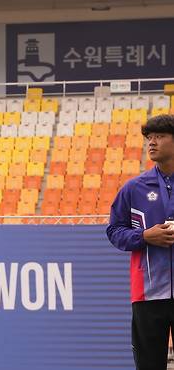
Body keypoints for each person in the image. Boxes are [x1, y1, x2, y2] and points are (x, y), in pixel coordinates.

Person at [107, 114, 174, 370]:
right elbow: (114, 230)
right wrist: (144, 236)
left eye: (159, 136)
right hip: (147, 293)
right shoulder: (134, 188)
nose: (152, 143)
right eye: (149, 138)